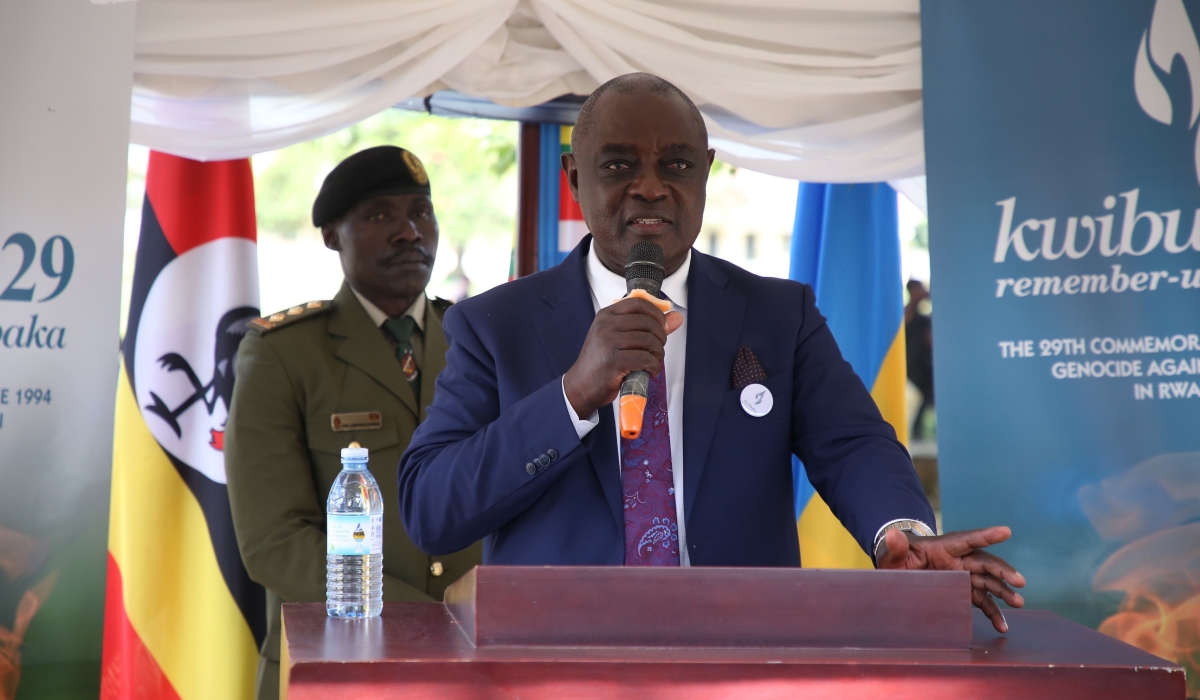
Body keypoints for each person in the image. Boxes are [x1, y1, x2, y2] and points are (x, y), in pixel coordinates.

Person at [398, 74, 1024, 634]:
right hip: (557, 652)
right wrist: (571, 397)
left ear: (706, 171)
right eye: (618, 166)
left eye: (676, 165)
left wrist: (900, 534)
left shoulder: (780, 315)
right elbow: (431, 511)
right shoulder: (493, 323)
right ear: (574, 177)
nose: (649, 187)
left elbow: (854, 443)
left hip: (741, 646)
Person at [226, 146, 482, 700]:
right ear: (330, 235)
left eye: (421, 212)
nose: (409, 233)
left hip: (471, 662)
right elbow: (274, 540)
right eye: (379, 216)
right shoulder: (283, 354)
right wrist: (425, 617)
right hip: (339, 663)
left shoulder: (476, 338)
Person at [905, 280, 935, 439]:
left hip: (922, 366)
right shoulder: (907, 314)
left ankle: (917, 431)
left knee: (925, 398)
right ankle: (913, 432)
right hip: (911, 366)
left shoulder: (924, 320)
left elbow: (930, 340)